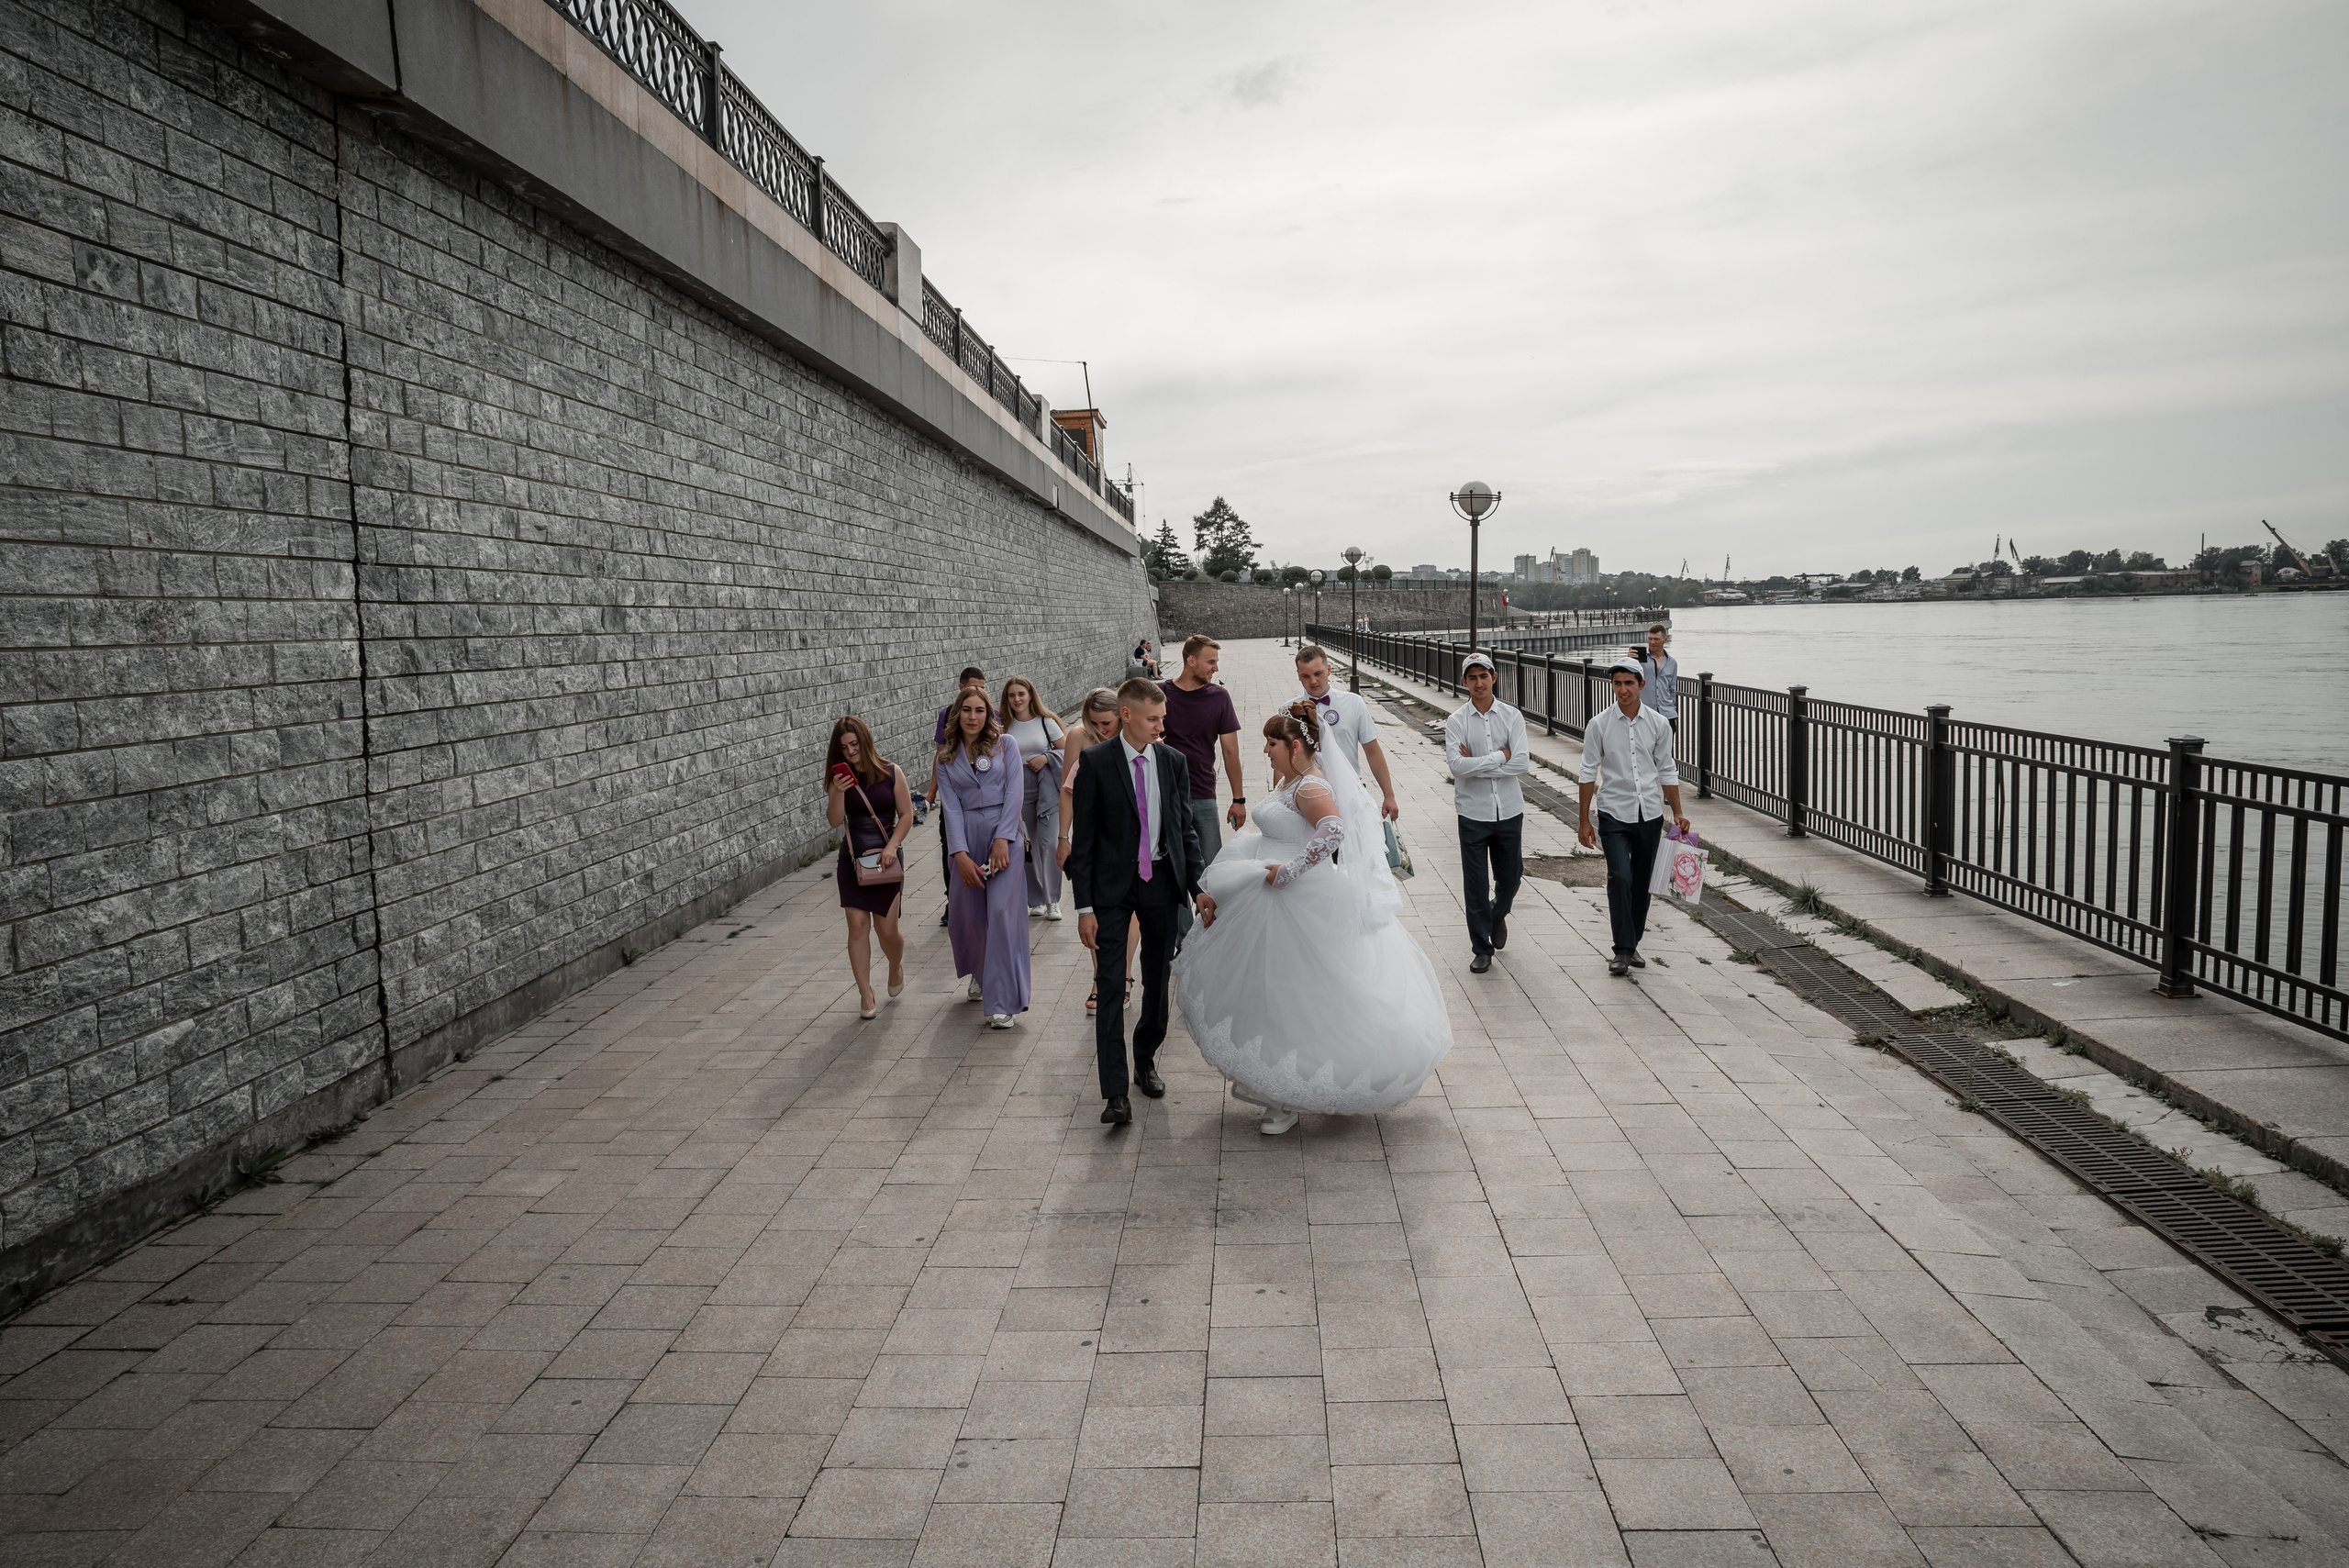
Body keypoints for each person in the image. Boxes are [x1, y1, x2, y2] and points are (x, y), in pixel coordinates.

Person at [1175, 703, 1451, 1136]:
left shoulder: (1309, 787)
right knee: (1274, 991)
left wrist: (1290, 871)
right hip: (1269, 891)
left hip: (1297, 897)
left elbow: (1334, 829)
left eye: (1272, 743)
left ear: (1296, 746)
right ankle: (1286, 1085)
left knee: (1296, 993)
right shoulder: (1291, 781)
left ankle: (1292, 1094)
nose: (1265, 750)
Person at [1067, 677, 1211, 1127]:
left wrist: (1197, 886)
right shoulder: (1094, 763)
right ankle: (1114, 1092)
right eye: (1153, 718)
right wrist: (1084, 908)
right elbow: (1084, 841)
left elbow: (1183, 828)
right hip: (1111, 889)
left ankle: (1145, 1059)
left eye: (1162, 718)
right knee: (1111, 985)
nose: (1160, 725)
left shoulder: (1172, 761)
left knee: (1156, 978)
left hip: (1160, 882)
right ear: (1126, 716)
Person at [1577, 660, 1690, 977]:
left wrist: (1678, 812)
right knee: (1620, 877)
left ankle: (1632, 942)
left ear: (1642, 685)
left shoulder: (1658, 724)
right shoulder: (1599, 724)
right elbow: (1588, 771)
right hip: (1613, 811)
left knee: (1642, 882)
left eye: (1629, 683)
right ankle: (1623, 950)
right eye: (1617, 684)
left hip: (1649, 813)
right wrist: (1584, 820)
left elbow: (1667, 768)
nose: (1623, 690)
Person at [938, 686, 1031, 1029]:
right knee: (971, 918)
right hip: (967, 839)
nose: (973, 717)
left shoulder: (1006, 745)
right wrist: (959, 854)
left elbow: (1014, 793)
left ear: (989, 714)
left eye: (980, 710)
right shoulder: (946, 758)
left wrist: (1004, 838)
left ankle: (1003, 1000)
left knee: (1002, 913)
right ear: (957, 714)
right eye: (966, 710)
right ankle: (982, 972)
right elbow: (950, 809)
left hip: (1003, 837)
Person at [825, 717, 912, 1019]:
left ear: (865, 740)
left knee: (887, 932)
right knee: (858, 927)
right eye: (844, 747)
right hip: (852, 861)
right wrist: (837, 791)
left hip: (886, 860)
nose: (850, 751)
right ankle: (865, 992)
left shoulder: (891, 772)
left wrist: (892, 848)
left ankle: (895, 964)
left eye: (854, 744)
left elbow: (906, 815)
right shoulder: (840, 779)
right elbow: (835, 821)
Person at [1447, 651, 1529, 974]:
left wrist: (1478, 763)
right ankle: (1482, 948)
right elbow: (1456, 767)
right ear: (1464, 681)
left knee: (1511, 877)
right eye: (1472, 677)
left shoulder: (1512, 717)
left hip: (1509, 810)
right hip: (1472, 812)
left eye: (1484, 676)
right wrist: (1500, 757)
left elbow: (1521, 763)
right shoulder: (1456, 722)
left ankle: (1496, 915)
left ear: (1494, 677)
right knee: (1476, 883)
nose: (1479, 683)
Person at [1058, 688, 1136, 1015]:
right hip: (1094, 838)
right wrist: (1063, 837)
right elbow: (1067, 791)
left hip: (1130, 838)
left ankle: (1126, 976)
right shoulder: (1080, 736)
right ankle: (1102, 977)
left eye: (1106, 722)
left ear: (1122, 713)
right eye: (1094, 723)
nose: (1101, 729)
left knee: (1130, 910)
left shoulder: (1137, 737)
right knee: (1097, 910)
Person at [1159, 634, 1246, 862]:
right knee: (1168, 869)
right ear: (1191, 661)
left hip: (1203, 793)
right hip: (1162, 795)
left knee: (1211, 869)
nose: (1216, 668)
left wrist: (1239, 800)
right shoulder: (1160, 695)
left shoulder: (1219, 697)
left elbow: (1230, 752)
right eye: (1211, 662)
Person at [1293, 643, 1398, 821]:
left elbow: (1372, 750)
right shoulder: (1289, 711)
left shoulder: (1354, 703)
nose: (1313, 681)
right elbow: (1282, 760)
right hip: (1308, 798)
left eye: (1318, 674)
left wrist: (1389, 795)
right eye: (1306, 676)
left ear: (1328, 670)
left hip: (1351, 794)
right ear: (1298, 676)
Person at [998, 676, 1066, 919]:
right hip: (1017, 790)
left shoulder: (1047, 722)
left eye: (1021, 694)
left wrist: (1046, 758)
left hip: (1047, 788)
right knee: (1025, 845)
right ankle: (1034, 899)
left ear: (1030, 695)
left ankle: (1052, 901)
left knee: (1049, 844)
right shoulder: (1002, 725)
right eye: (1011, 695)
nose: (1017, 699)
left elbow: (1067, 751)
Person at [931, 668, 990, 925]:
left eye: (983, 687)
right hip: (958, 800)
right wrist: (932, 792)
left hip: (989, 807)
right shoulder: (948, 715)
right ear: (960, 688)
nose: (973, 716)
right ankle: (952, 899)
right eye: (972, 687)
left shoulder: (992, 716)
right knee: (952, 848)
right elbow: (942, 754)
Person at [1627, 623, 1679, 732]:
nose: (1652, 642)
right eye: (1650, 639)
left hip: (1667, 715)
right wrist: (1629, 660)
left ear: (1665, 640)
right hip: (1644, 713)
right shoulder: (1638, 659)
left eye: (1656, 639)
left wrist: (1674, 713)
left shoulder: (1672, 662)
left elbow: (1671, 689)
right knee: (1644, 748)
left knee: (1667, 749)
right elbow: (1626, 678)